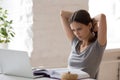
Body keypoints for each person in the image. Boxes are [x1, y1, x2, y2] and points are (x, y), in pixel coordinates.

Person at [60, 9, 107, 79]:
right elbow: (62, 14)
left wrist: (89, 20)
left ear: (89, 25)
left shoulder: (98, 45)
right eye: (73, 30)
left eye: (79, 29)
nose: (76, 33)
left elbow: (102, 17)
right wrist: (82, 19)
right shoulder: (75, 42)